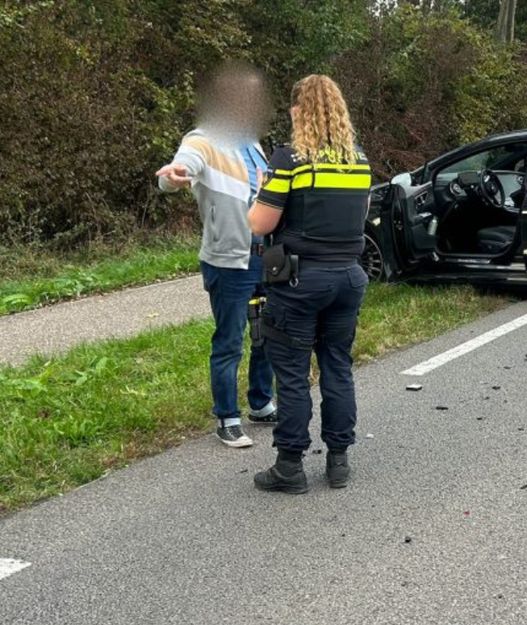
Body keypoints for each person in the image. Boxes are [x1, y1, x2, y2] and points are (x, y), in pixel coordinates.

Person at [248, 74, 372, 494]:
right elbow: (360, 214)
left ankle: (289, 467)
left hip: (300, 280)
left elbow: (260, 223)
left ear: (300, 112)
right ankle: (338, 461)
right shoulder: (359, 161)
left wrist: (261, 193)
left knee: (294, 373)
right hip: (349, 278)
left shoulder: (290, 161)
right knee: (338, 365)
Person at [157, 62, 276, 449]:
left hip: (265, 254)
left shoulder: (255, 144)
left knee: (266, 336)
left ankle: (260, 403)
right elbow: (177, 172)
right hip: (228, 260)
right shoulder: (202, 139)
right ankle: (227, 416)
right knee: (230, 340)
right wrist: (172, 176)